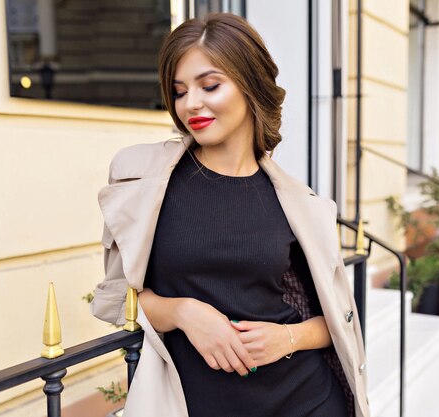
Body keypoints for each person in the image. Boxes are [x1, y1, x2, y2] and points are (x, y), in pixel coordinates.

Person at [90, 13, 369, 417]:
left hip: (306, 400)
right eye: (179, 91)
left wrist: (286, 339)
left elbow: (336, 323)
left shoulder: (299, 203)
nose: (191, 104)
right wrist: (184, 312)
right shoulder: (144, 179)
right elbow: (116, 301)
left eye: (210, 85)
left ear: (250, 84)